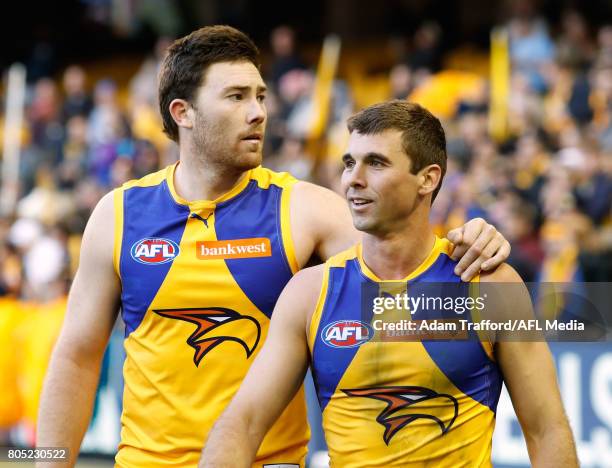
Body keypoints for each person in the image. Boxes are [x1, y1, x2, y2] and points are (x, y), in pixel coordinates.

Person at [36, 27, 511, 467]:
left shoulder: (303, 211)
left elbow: (413, 260)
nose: (258, 111)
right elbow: (77, 355)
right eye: (237, 96)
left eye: (261, 95)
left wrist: (471, 238)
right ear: (183, 113)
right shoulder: (119, 216)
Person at [201, 101, 578, 467]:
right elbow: (243, 423)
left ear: (427, 179)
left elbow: (546, 430)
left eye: (376, 163)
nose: (353, 179)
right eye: (349, 163)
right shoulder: (309, 293)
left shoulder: (486, 283)